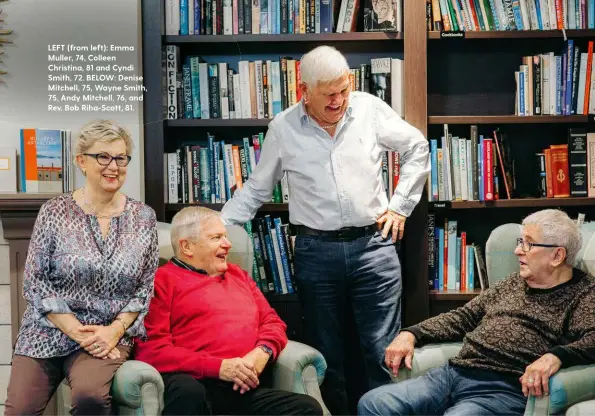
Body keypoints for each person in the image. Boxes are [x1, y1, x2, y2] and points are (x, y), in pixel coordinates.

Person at [221, 45, 430, 414]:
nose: (339, 100)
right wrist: (216, 229)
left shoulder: (369, 109)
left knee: (383, 351)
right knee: (324, 354)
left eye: (344, 89)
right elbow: (256, 188)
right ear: (305, 91)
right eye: (329, 94)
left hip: (375, 246)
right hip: (315, 252)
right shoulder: (283, 128)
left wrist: (400, 206)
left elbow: (416, 147)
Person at [358, 209, 595, 416]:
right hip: (454, 373)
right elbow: (464, 317)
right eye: (519, 241)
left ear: (557, 256)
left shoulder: (584, 294)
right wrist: (412, 333)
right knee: (374, 404)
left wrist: (557, 356)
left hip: (502, 388)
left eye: (528, 244)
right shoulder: (513, 282)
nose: (517, 251)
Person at [5, 120, 159, 415]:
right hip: (47, 330)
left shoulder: (143, 217)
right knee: (19, 410)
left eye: (121, 158)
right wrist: (77, 331)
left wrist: (115, 331)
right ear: (81, 161)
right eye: (103, 156)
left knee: (91, 399)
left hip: (107, 334)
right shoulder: (54, 210)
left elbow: (144, 287)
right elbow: (35, 281)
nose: (113, 166)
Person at [134, 206, 323, 416]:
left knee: (307, 408)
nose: (228, 244)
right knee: (188, 392)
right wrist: (219, 367)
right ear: (187, 246)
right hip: (196, 383)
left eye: (225, 236)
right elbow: (152, 351)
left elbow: (273, 323)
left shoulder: (238, 275)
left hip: (244, 385)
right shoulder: (162, 281)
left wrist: (262, 353)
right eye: (216, 238)